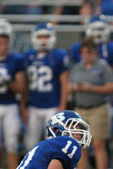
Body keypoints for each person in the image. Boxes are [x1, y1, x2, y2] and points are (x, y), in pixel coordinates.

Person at [68, 38, 113, 169]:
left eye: (88, 52)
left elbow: (111, 86)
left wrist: (93, 88)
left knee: (99, 145)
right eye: (83, 53)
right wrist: (76, 87)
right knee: (80, 146)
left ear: (94, 52)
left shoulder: (102, 66)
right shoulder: (77, 67)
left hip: (98, 107)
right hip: (80, 108)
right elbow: (68, 86)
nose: (85, 55)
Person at [23, 22, 70, 151]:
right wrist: (23, 105)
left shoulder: (58, 55)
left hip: (52, 106)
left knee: (53, 143)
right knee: (30, 143)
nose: (43, 40)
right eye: (40, 37)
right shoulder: (28, 56)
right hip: (33, 105)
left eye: (46, 36)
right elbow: (25, 84)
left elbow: (65, 84)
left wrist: (62, 106)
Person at [0, 19, 26, 169]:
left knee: (12, 141)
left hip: (10, 104)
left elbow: (21, 87)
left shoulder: (16, 59)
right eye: (0, 42)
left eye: (6, 42)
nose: (3, 46)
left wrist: (8, 82)